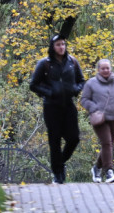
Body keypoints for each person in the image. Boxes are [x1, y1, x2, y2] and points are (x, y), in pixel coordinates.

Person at [29, 34, 85, 184]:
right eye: (58, 44)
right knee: (54, 141)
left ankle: (60, 163)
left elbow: (82, 81)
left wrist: (76, 89)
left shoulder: (72, 62)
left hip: (69, 105)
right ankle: (58, 175)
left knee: (74, 138)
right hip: (51, 107)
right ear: (52, 47)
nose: (61, 47)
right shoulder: (44, 64)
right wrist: (50, 92)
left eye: (63, 44)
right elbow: (33, 85)